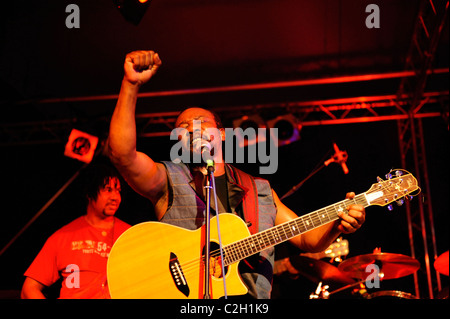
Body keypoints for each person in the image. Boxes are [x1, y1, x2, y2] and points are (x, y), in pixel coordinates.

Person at [107, 50, 366, 299]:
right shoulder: (168, 179)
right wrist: (130, 85)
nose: (193, 127)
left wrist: (337, 224)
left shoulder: (259, 190)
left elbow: (306, 239)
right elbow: (122, 155)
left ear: (221, 133)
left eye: (201, 121)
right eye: (183, 127)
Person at [21, 160, 131, 299]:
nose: (115, 197)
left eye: (118, 191)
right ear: (89, 193)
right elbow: (29, 288)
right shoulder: (63, 237)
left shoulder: (130, 235)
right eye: (108, 190)